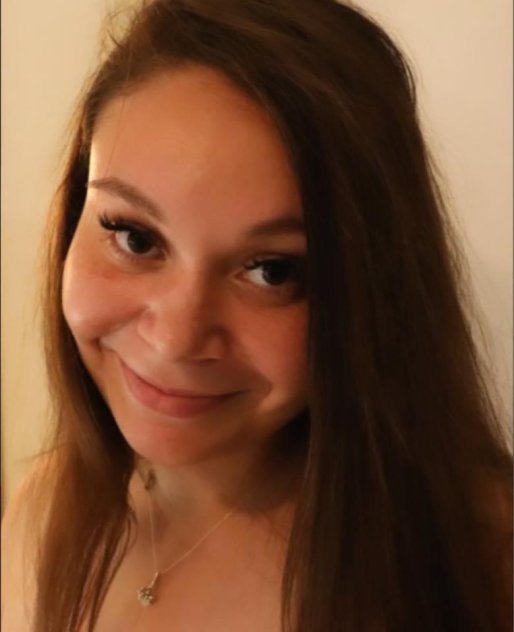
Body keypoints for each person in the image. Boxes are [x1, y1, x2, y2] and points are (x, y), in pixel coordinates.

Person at [2, 0, 512, 630]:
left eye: (272, 270)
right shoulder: (43, 515)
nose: (177, 338)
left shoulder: (482, 559)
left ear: (372, 293)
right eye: (135, 237)